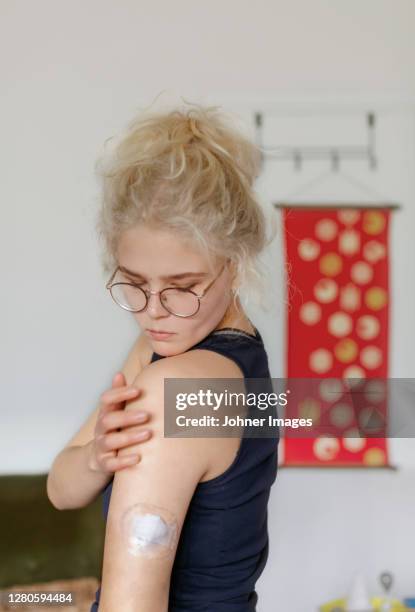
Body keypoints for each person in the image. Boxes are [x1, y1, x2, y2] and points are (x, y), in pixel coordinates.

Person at [49, 100, 279, 612]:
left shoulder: (184, 388)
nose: (154, 313)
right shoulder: (184, 350)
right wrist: (95, 457)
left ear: (236, 262)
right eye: (134, 283)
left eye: (182, 286)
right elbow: (61, 491)